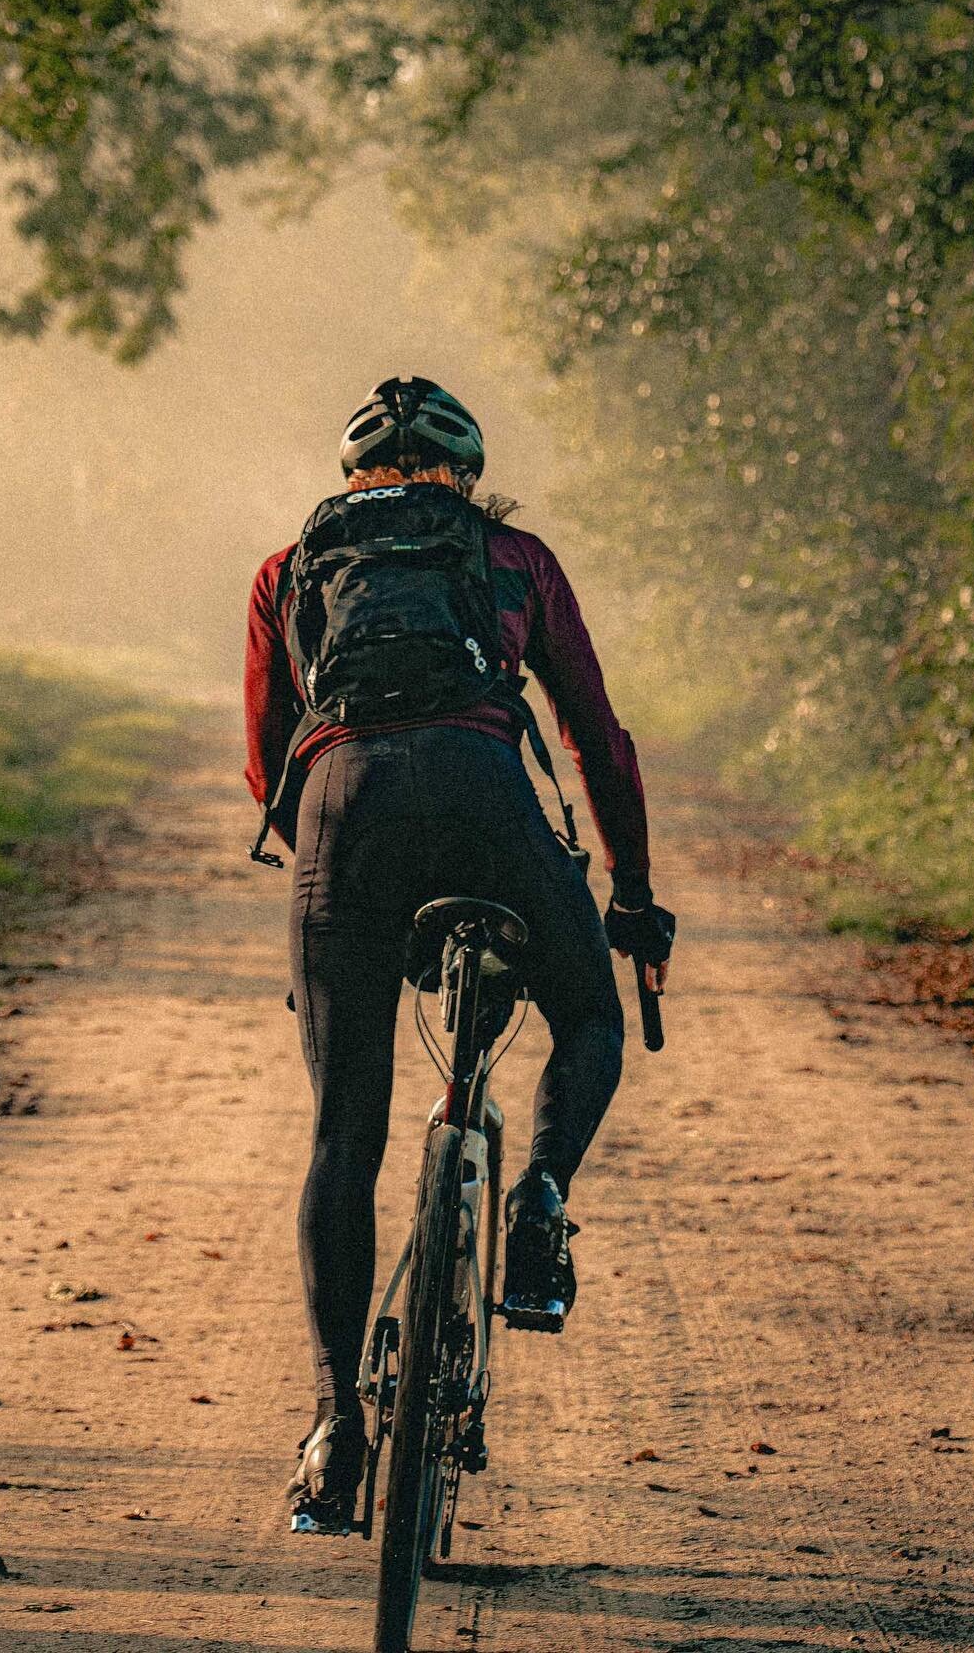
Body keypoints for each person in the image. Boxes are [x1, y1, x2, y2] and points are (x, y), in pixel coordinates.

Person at [243, 376, 674, 1532]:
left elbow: (268, 761)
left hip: (344, 810)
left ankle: (338, 1430)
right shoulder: (514, 559)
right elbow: (597, 737)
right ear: (466, 478)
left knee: (344, 1131)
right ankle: (536, 1203)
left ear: (353, 481)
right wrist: (630, 898)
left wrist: (340, 909)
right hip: (486, 798)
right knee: (587, 1015)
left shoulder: (290, 572)